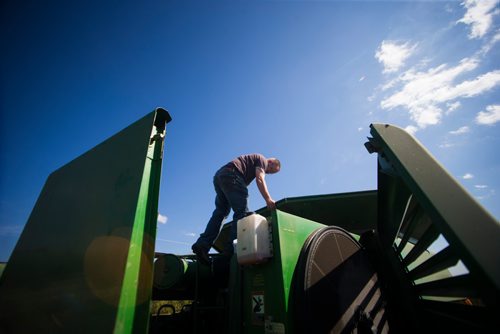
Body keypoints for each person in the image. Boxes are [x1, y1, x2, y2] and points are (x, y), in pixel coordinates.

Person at [191, 154, 281, 264]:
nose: (268, 172)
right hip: (232, 175)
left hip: (220, 176)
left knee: (221, 213)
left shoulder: (251, 162)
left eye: (271, 173)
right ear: (270, 162)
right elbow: (260, 179)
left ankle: (202, 245)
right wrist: (268, 199)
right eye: (271, 170)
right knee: (241, 213)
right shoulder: (262, 160)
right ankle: (229, 253)